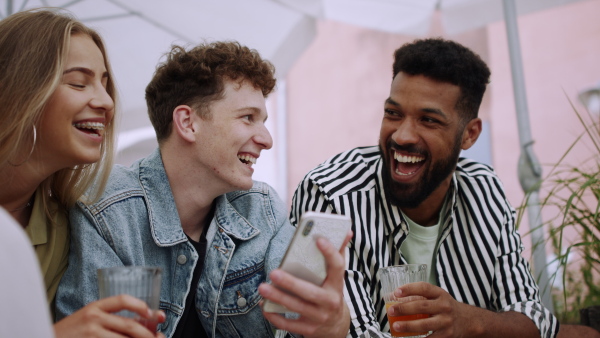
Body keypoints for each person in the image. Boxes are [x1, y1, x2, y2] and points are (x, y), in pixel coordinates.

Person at [56, 40, 348, 338]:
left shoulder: (261, 208)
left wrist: (332, 325)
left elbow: (296, 322)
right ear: (188, 123)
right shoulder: (108, 211)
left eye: (263, 120)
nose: (266, 139)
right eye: (248, 117)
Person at [289, 38, 559, 338]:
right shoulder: (328, 193)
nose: (402, 135)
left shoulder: (484, 188)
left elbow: (534, 318)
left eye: (428, 120)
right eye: (393, 113)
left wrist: (468, 321)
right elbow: (350, 334)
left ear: (469, 134)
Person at [0, 8, 165, 338]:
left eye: (105, 84)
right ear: (18, 92)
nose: (107, 101)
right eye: (78, 82)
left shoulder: (60, 227)